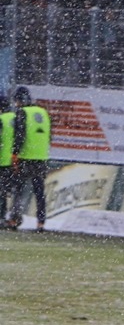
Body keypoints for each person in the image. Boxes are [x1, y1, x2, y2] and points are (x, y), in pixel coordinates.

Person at [6, 87, 51, 232]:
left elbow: (20, 135)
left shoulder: (22, 113)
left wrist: (15, 153)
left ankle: (14, 219)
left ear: (18, 101)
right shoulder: (43, 112)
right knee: (39, 191)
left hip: (26, 157)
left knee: (19, 190)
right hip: (41, 158)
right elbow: (50, 136)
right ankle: (41, 223)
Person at [0, 96, 14, 225]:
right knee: (5, 191)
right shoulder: (15, 118)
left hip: (2, 160)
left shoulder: (1, 119)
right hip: (14, 160)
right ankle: (5, 216)